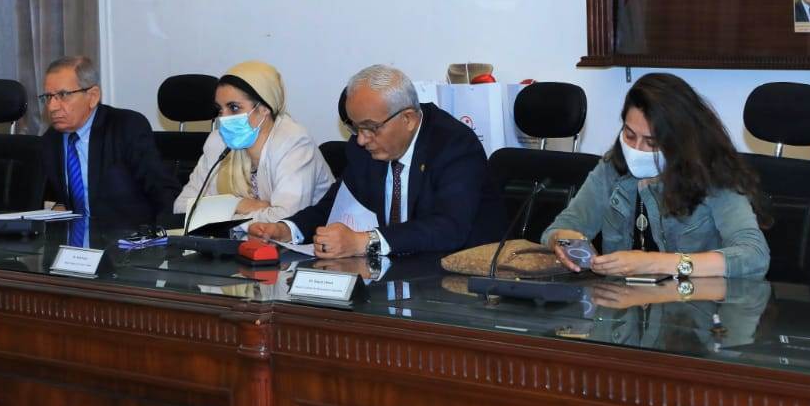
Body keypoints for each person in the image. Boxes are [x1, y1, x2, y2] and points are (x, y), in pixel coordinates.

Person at [247, 65, 506, 258]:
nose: (361, 139)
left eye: (371, 128)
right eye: (355, 128)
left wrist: (364, 241)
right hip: (393, 275)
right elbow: (333, 205)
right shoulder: (365, 149)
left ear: (408, 119)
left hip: (458, 281)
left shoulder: (453, 145)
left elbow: (449, 228)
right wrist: (287, 230)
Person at [543, 74, 769, 282]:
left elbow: (754, 255)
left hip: (694, 307)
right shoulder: (612, 167)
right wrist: (562, 239)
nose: (636, 149)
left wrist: (654, 263)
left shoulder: (714, 174)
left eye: (651, 142)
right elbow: (560, 229)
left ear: (679, 141)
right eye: (629, 135)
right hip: (621, 306)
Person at [174, 61, 333, 224]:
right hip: (239, 238)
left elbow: (286, 220)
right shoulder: (218, 142)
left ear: (264, 107)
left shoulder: (294, 142)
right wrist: (237, 204)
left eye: (234, 108)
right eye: (220, 110)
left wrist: (217, 214)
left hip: (308, 238)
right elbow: (181, 207)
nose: (224, 118)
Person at [39, 55, 181, 225]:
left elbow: (163, 191)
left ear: (93, 96)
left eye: (63, 95)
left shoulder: (127, 127)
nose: (52, 107)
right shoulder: (51, 141)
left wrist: (167, 234)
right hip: (80, 237)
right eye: (48, 97)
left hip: (130, 236)